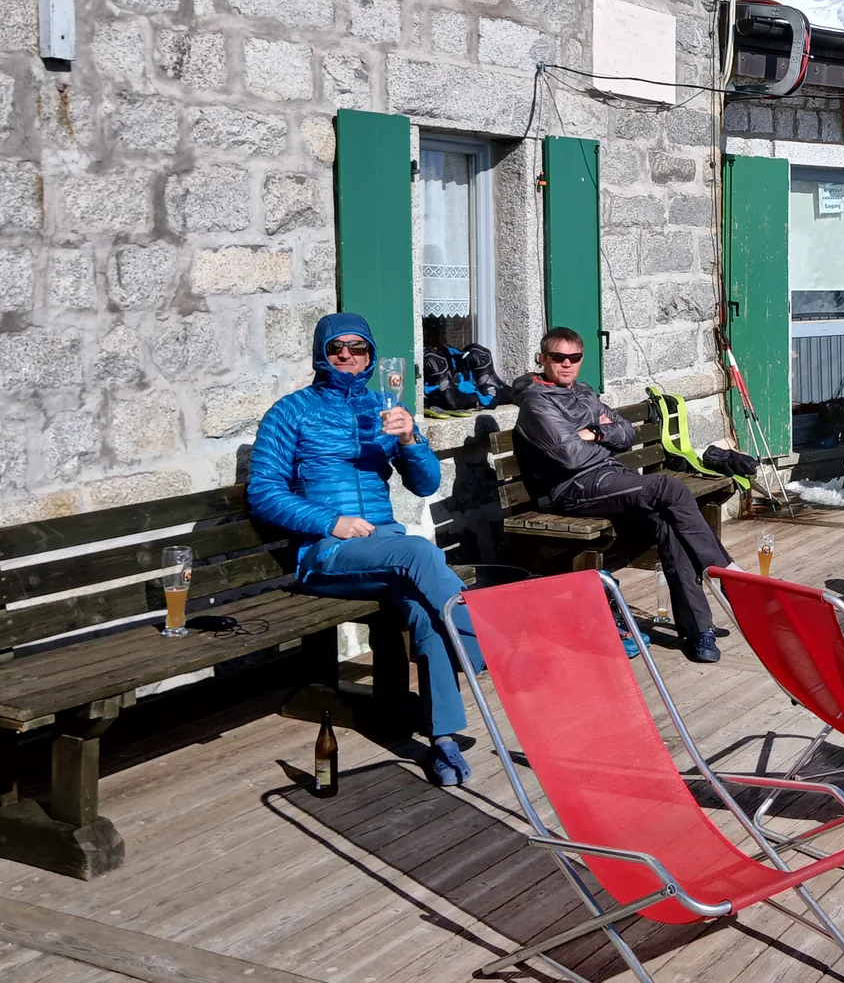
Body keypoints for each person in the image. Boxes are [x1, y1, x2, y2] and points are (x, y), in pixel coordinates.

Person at [248, 312, 481, 787]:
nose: (348, 357)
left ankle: (444, 741)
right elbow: (263, 491)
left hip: (384, 545)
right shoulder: (290, 412)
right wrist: (329, 520)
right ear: (322, 355)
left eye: (359, 348)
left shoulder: (384, 409)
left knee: (424, 609)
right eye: (338, 349)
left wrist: (411, 439)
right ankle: (489, 644)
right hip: (326, 553)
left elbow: (427, 485)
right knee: (419, 552)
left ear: (372, 356)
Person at [508, 327, 732, 662]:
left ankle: (698, 631)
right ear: (542, 359)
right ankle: (727, 576)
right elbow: (571, 456)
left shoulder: (583, 392)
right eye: (558, 357)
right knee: (668, 487)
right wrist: (593, 437)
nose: (566, 364)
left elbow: (627, 433)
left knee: (668, 523)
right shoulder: (536, 404)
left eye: (574, 357)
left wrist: (595, 431)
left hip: (610, 480)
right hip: (575, 489)